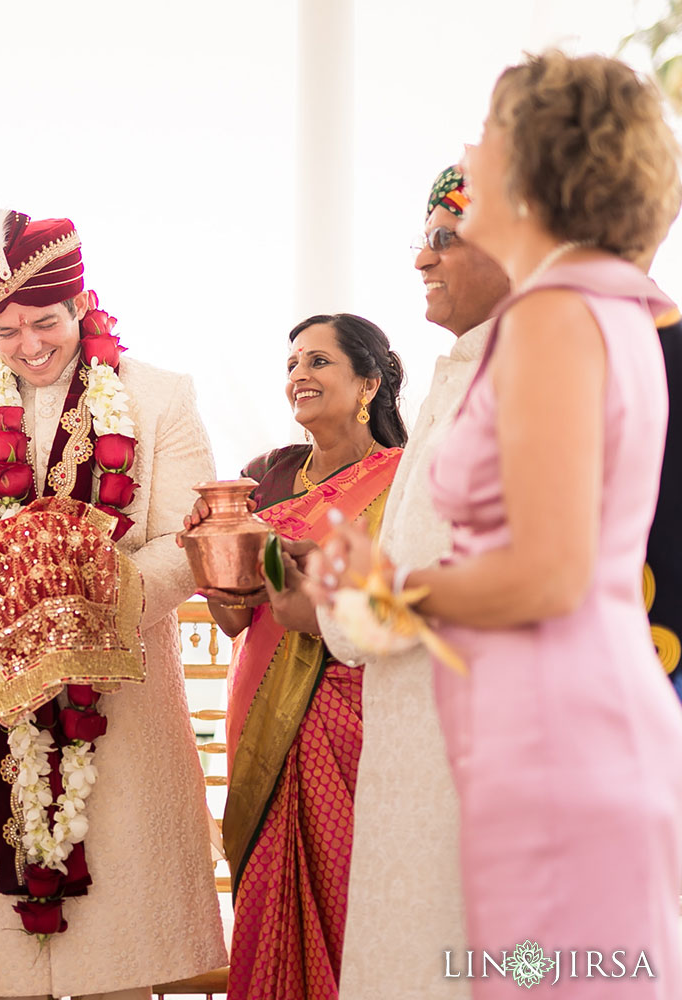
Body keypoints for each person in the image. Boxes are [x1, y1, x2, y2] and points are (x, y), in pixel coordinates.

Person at [315, 51, 682, 999]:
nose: (473, 146)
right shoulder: (614, 305)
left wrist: (385, 589)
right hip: (557, 719)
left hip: (559, 735)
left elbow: (553, 573)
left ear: (534, 163)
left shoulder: (558, 314)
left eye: (489, 130)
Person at [0, 209, 224, 1000]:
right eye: (5, 331)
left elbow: (189, 541)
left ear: (81, 303)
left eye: (44, 321)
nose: (30, 345)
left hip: (124, 684)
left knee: (124, 952)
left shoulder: (160, 397)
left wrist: (82, 609)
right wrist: (20, 606)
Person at [303, 165, 510, 1000]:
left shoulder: (525, 372)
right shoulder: (460, 367)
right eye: (422, 240)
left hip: (473, 733)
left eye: (445, 239)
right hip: (411, 730)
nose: (423, 261)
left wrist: (358, 594)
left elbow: (504, 571)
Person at [186, 314, 404, 1000]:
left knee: (351, 886)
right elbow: (231, 617)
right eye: (291, 365)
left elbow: (402, 600)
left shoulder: (405, 479)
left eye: (319, 362)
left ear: (369, 381)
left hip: (355, 705)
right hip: (263, 706)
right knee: (268, 887)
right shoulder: (265, 476)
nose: (299, 376)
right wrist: (208, 554)